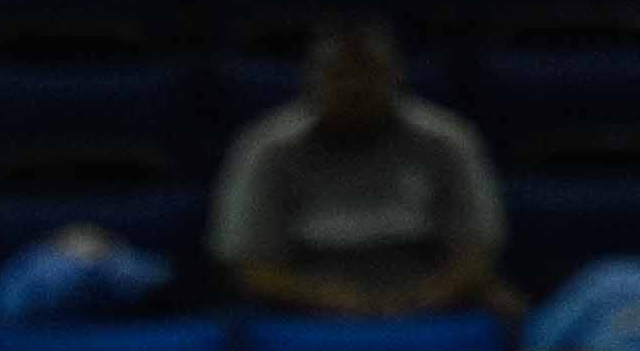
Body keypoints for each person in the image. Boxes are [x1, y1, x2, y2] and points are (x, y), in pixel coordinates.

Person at [211, 18, 508, 317]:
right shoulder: (267, 148)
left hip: (428, 300)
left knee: (504, 307)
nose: (354, 87)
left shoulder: (447, 140)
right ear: (310, 80)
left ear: (397, 76)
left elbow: (477, 251)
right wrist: (324, 297)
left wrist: (425, 298)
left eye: (369, 73)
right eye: (339, 75)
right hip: (301, 308)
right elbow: (248, 266)